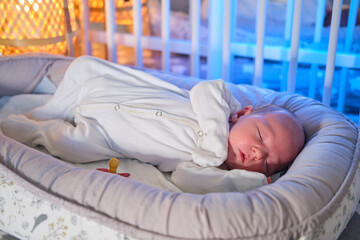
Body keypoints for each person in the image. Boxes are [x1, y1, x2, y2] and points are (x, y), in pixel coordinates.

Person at [0, 56, 304, 184]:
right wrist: (214, 139)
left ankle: (33, 127)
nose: (256, 153)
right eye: (261, 138)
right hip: (108, 89)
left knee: (67, 145)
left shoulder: (210, 166)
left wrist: (246, 182)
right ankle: (47, 110)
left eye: (266, 163)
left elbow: (186, 179)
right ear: (243, 115)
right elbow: (204, 89)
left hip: (105, 133)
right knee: (83, 65)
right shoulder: (222, 105)